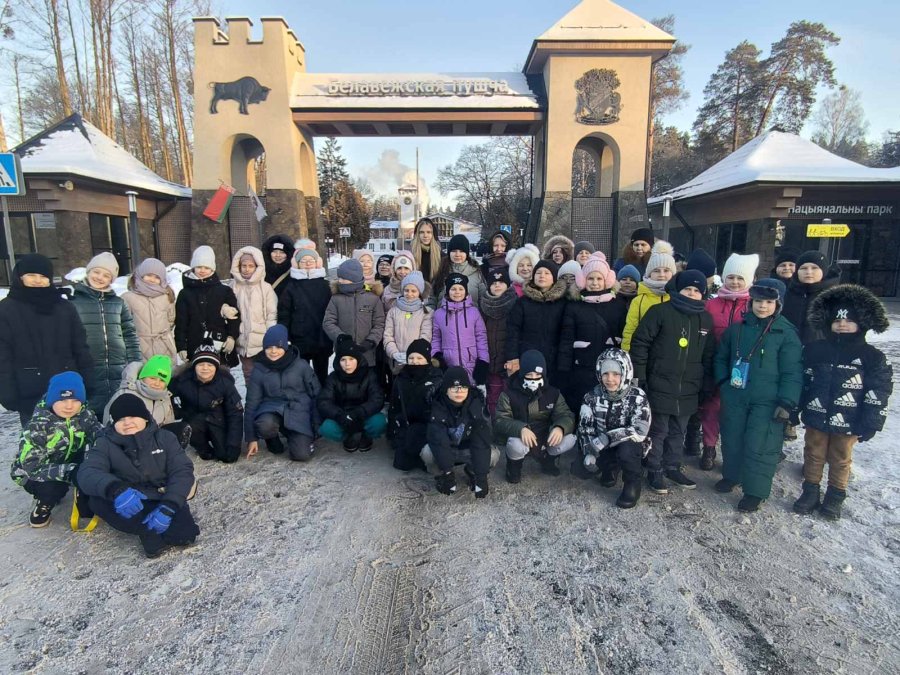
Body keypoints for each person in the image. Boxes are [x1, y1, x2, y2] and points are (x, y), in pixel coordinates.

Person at [793, 284, 892, 520]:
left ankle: (835, 495)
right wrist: (795, 406)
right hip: (816, 414)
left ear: (862, 323)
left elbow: (879, 390)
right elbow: (803, 381)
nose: (842, 324)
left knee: (841, 457)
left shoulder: (872, 356)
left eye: (848, 320)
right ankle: (810, 491)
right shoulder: (814, 350)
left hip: (850, 420)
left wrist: (872, 421)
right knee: (813, 452)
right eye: (837, 321)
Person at [714, 279, 802, 512]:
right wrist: (723, 382)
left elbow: (792, 371)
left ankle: (755, 490)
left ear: (778, 304)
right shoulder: (737, 329)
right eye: (759, 301)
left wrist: (787, 401)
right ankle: (732, 475)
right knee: (732, 438)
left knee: (760, 443)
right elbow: (721, 357)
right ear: (751, 302)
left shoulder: (786, 333)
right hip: (736, 394)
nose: (763, 306)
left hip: (768, 399)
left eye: (769, 302)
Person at [77, 393, 199, 558]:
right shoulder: (104, 443)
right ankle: (145, 530)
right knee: (98, 501)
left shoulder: (165, 438)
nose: (127, 422)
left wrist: (170, 506)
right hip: (126, 498)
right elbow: (87, 472)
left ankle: (154, 525)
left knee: (185, 536)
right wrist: (116, 490)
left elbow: (182, 471)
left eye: (133, 416)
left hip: (159, 495)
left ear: (145, 418)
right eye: (120, 419)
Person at [630, 270, 715, 494]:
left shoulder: (705, 319)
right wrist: (640, 376)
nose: (692, 293)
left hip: (689, 387)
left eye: (697, 291)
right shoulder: (660, 312)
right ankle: (654, 469)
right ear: (677, 289)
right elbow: (640, 344)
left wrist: (706, 383)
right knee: (658, 430)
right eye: (688, 289)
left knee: (679, 430)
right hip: (659, 382)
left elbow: (709, 355)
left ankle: (672, 466)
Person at [0, 254, 94, 425]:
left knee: (73, 440)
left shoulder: (64, 307)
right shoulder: (6, 310)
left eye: (43, 276)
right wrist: (6, 390)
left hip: (67, 388)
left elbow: (80, 347)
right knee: (39, 444)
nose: (37, 280)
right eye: (31, 275)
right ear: (20, 277)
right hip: (30, 391)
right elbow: (3, 355)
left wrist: (88, 379)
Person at [10, 371, 102, 527]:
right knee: (54, 488)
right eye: (62, 400)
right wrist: (71, 471)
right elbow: (31, 466)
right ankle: (43, 504)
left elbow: (99, 433)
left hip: (67, 460)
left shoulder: (85, 415)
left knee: (93, 458)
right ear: (52, 400)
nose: (69, 406)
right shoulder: (38, 426)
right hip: (33, 473)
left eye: (75, 400)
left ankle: (84, 495)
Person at [696, 253, 759, 470]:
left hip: (743, 367)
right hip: (715, 363)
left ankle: (733, 453)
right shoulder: (711, 305)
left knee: (735, 412)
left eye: (740, 278)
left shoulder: (754, 306)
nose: (735, 282)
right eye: (731, 277)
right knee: (711, 408)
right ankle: (709, 447)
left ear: (749, 280)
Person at [577, 349, 652, 509]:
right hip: (600, 445)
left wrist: (607, 438)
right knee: (579, 469)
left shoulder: (637, 397)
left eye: (616, 374)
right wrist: (589, 452)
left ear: (625, 373)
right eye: (605, 374)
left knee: (626, 450)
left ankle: (632, 482)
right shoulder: (591, 397)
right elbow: (585, 428)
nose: (610, 379)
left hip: (628, 445)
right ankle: (609, 468)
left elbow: (640, 431)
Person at [71, 252, 142, 414]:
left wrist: (135, 363)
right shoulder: (74, 303)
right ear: (88, 272)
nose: (100, 277)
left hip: (117, 369)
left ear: (112, 279)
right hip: (88, 368)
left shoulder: (118, 303)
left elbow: (130, 335)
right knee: (90, 412)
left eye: (106, 275)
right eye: (96, 272)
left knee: (117, 411)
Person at [558, 252, 626, 413]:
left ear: (606, 280)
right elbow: (566, 340)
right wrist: (564, 370)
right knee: (580, 407)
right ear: (583, 280)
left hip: (609, 370)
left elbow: (624, 335)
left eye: (599, 279)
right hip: (581, 367)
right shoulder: (574, 306)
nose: (594, 283)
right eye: (590, 278)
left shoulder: (618, 305)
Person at [495, 350, 576, 482]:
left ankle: (548, 460)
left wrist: (560, 427)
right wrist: (520, 428)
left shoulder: (553, 393)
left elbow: (566, 414)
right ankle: (513, 467)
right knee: (516, 445)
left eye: (538, 374)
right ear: (522, 374)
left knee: (569, 439)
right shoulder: (508, 393)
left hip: (544, 434)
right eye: (529, 374)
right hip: (520, 436)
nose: (533, 378)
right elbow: (500, 420)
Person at [245, 325, 320, 462]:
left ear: (285, 347)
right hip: (272, 410)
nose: (273, 351)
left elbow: (316, 395)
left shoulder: (301, 366)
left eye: (278, 347)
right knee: (264, 424)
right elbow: (251, 403)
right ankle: (271, 437)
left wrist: (315, 424)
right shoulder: (259, 369)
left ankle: (295, 435)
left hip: (298, 411)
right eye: (269, 347)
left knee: (301, 455)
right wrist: (251, 438)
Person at [424, 367, 494, 498]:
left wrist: (481, 477)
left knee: (493, 454)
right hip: (447, 450)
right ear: (446, 389)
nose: (459, 391)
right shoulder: (438, 405)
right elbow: (438, 439)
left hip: (468, 449)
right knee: (427, 452)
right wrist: (448, 472)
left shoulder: (476, 405)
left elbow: (481, 441)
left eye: (463, 387)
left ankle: (472, 472)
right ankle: (442, 476)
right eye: (454, 387)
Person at [169, 342, 244, 463]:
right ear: (194, 366)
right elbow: (165, 395)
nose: (205, 368)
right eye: (201, 364)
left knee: (228, 457)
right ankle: (203, 448)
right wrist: (178, 411)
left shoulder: (225, 383)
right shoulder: (183, 381)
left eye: (210, 365)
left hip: (218, 422)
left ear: (216, 367)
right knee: (189, 429)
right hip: (194, 421)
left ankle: (222, 445)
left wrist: (234, 444)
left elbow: (235, 414)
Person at [175, 245, 241, 368]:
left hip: (220, 344)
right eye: (199, 267)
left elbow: (235, 317)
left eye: (206, 267)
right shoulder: (185, 294)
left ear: (213, 269)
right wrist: (181, 346)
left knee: (222, 379)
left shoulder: (224, 291)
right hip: (194, 343)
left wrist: (232, 337)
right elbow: (181, 322)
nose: (202, 270)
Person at [317, 339, 387, 452]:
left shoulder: (369, 375)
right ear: (338, 361)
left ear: (358, 359)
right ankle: (348, 437)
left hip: (364, 415)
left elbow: (377, 399)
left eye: (351, 359)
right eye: (343, 359)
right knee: (327, 428)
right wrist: (339, 415)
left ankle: (366, 435)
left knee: (379, 422)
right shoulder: (333, 377)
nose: (347, 363)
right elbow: (324, 401)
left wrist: (359, 412)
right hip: (342, 416)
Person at [278, 246, 333, 386]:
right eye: (303, 261)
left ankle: (322, 401)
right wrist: (285, 335)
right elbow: (284, 313)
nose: (308, 263)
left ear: (317, 263)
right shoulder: (291, 287)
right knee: (301, 375)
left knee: (322, 375)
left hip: (321, 337)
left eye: (311, 260)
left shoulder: (326, 286)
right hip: (299, 338)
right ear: (297, 264)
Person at [505, 260, 568, 379]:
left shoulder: (562, 303)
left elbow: (566, 334)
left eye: (547, 273)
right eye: (539, 273)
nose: (542, 276)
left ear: (554, 278)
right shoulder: (522, 302)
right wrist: (513, 357)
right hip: (527, 357)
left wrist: (563, 361)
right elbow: (513, 331)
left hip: (553, 359)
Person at [388, 339, 441, 471]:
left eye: (419, 358)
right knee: (401, 464)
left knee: (426, 460)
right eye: (411, 358)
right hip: (406, 426)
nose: (415, 362)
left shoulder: (437, 379)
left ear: (427, 360)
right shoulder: (400, 378)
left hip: (428, 427)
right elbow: (394, 407)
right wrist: (393, 430)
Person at [323, 258, 385, 368]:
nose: (340, 281)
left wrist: (371, 341)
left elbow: (379, 324)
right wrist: (340, 337)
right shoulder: (336, 299)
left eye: (343, 278)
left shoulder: (373, 299)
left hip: (367, 354)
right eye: (339, 278)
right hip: (344, 354)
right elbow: (328, 322)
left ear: (354, 279)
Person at [229, 246, 278, 381]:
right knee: (248, 373)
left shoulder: (265, 288)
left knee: (265, 373)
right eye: (243, 265)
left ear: (258, 267)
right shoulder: (233, 287)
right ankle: (252, 400)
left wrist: (270, 337)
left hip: (262, 340)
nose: (247, 269)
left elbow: (271, 314)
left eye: (251, 266)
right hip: (243, 340)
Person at [432, 273, 489, 384]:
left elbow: (481, 337)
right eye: (453, 289)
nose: (457, 292)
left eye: (460, 289)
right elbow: (436, 338)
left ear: (466, 291)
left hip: (471, 363)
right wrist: (437, 357)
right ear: (448, 291)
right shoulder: (439, 314)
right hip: (448, 364)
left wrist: (483, 361)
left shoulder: (474, 312)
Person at [621, 240, 675, 352]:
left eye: (666, 270)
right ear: (649, 273)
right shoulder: (639, 300)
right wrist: (627, 353)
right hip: (643, 356)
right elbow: (630, 330)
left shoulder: (678, 298)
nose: (661, 275)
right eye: (656, 270)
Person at [104, 355, 180, 434]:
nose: (157, 383)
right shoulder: (126, 394)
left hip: (155, 444)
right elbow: (109, 425)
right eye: (152, 378)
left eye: (162, 380)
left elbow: (167, 427)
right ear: (142, 377)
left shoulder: (165, 398)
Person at [479, 266, 518, 415]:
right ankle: (495, 426)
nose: (497, 285)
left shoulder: (515, 304)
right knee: (493, 396)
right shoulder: (483, 305)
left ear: (507, 285)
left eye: (501, 282)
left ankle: (509, 426)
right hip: (491, 362)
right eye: (493, 283)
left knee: (510, 396)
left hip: (509, 361)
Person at [782, 250, 841, 345]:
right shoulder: (786, 294)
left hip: (822, 352)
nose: (809, 272)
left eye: (814, 268)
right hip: (788, 350)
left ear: (824, 270)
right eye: (803, 268)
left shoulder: (837, 297)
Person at [123, 257, 177, 361]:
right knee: (141, 374)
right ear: (140, 274)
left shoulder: (166, 297)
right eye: (148, 275)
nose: (152, 279)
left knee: (163, 375)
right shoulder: (128, 297)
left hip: (163, 346)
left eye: (157, 277)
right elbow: (124, 323)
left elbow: (171, 319)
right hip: (139, 346)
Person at [383, 271, 433, 373]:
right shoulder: (393, 311)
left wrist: (414, 355)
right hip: (397, 362)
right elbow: (388, 335)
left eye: (413, 291)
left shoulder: (427, 312)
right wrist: (394, 353)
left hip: (417, 362)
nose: (409, 294)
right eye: (406, 290)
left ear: (419, 292)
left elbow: (425, 336)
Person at [433, 235, 487, 307]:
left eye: (461, 251)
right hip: (444, 317)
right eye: (454, 251)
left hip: (471, 317)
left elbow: (483, 300)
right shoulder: (441, 271)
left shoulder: (476, 273)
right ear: (449, 252)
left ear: (467, 253)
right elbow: (432, 298)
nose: (457, 254)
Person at [261, 234, 295, 299]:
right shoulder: (261, 271)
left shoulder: (294, 272)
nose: (278, 255)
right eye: (274, 252)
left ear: (288, 254)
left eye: (282, 252)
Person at [411, 218, 442, 285]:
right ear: (417, 235)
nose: (425, 236)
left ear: (433, 235)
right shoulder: (411, 256)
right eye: (422, 232)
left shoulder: (442, 256)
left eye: (429, 232)